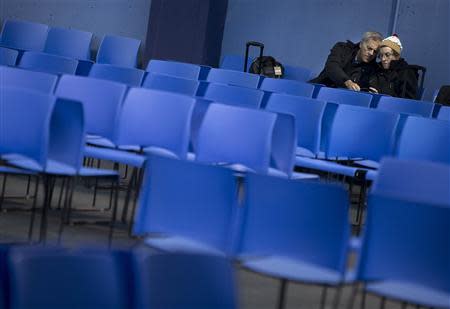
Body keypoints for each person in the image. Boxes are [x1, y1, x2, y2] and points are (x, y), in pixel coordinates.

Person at [310, 31, 383, 91]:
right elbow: (332, 66)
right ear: (361, 44)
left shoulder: (373, 68)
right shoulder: (342, 48)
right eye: (369, 48)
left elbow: (367, 87)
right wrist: (347, 81)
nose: (371, 53)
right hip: (321, 88)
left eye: (375, 52)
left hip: (343, 98)